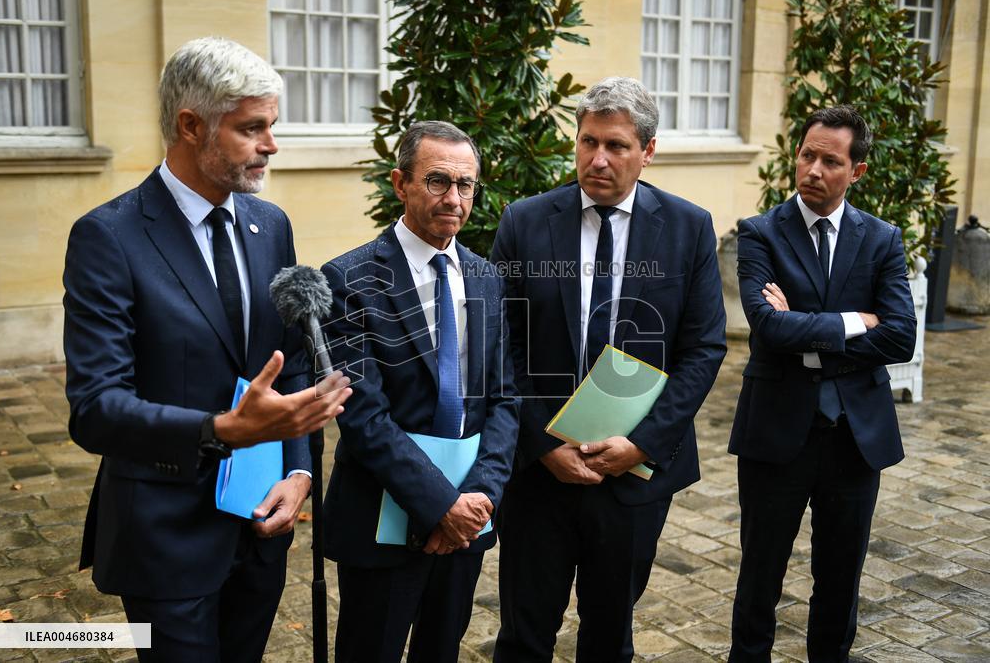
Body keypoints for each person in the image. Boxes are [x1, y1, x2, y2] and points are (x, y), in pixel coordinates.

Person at [62, 37, 352, 662]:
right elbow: (94, 408)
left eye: (271, 126)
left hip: (258, 525)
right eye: (252, 129)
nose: (271, 146)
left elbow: (290, 362)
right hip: (165, 537)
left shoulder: (267, 223)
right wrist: (221, 430)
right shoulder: (107, 238)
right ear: (191, 126)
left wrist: (298, 471)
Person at [491, 77, 727, 662]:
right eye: (588, 142)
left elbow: (704, 349)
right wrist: (544, 442)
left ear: (648, 151)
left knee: (608, 636)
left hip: (633, 475)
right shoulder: (524, 222)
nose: (597, 159)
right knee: (523, 635)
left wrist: (642, 444)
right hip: (539, 472)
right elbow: (500, 345)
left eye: (616, 146)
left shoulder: (689, 227)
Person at [320, 120, 520, 663]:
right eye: (437, 181)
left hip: (467, 522)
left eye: (466, 185)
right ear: (400, 182)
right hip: (382, 520)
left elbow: (504, 398)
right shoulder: (349, 280)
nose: (454, 198)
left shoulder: (486, 277)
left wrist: (479, 498)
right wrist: (439, 506)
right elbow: (362, 417)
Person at [727, 105, 917, 660]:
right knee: (760, 575)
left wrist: (803, 330)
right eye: (807, 154)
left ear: (856, 171)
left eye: (829, 160)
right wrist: (858, 322)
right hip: (775, 432)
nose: (812, 168)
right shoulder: (760, 232)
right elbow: (766, 325)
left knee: (840, 581)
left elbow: (902, 336)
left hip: (855, 437)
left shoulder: (882, 239)